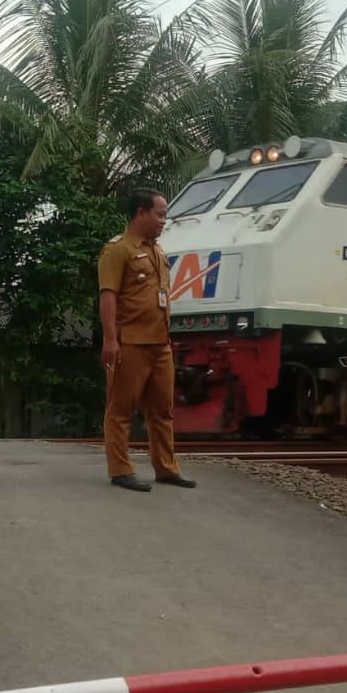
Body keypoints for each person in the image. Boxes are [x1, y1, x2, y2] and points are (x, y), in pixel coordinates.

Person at [97, 187, 196, 492]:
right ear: (141, 213)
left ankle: (166, 468)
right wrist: (110, 339)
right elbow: (108, 296)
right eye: (160, 214)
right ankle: (121, 470)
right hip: (130, 343)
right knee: (121, 409)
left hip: (160, 344)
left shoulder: (157, 251)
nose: (164, 221)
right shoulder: (117, 250)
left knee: (163, 411)